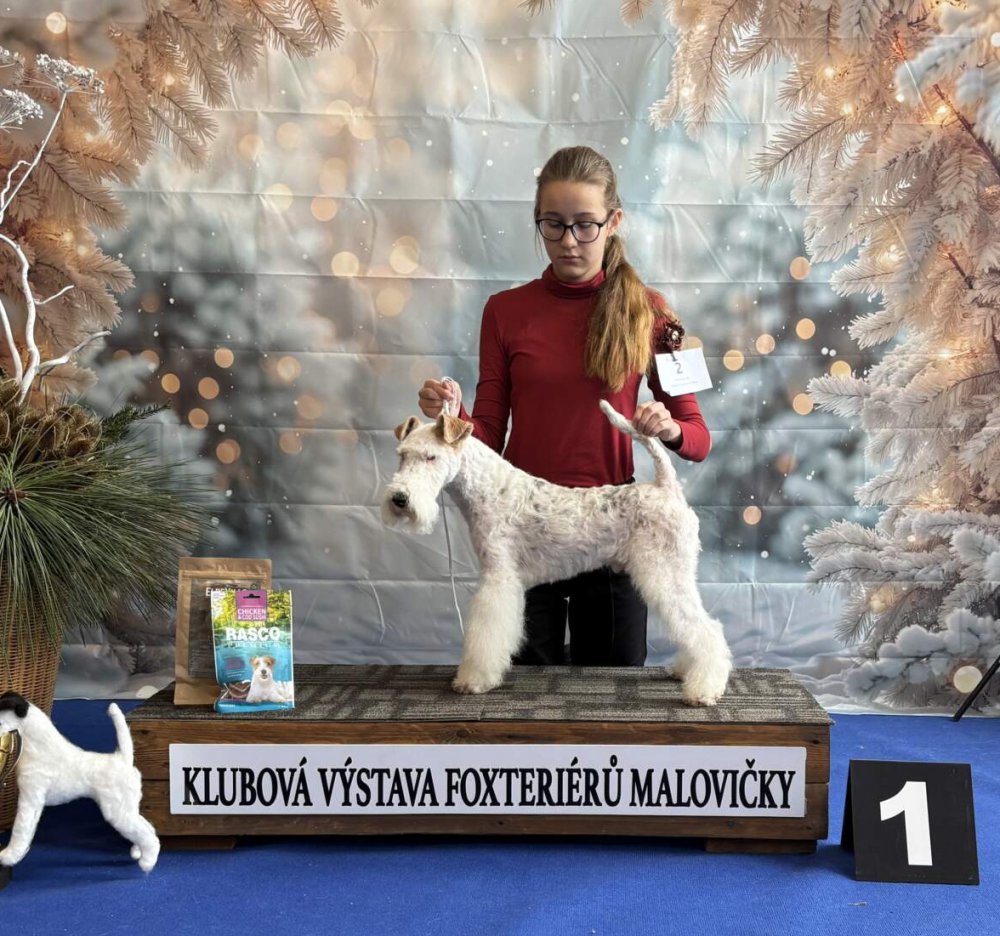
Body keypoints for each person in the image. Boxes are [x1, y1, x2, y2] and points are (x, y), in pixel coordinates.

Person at [417, 145, 710, 668]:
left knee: (613, 695)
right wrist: (450, 418)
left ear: (614, 221)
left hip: (615, 530)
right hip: (525, 529)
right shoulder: (504, 311)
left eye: (585, 225)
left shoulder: (655, 314)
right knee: (526, 699)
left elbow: (698, 438)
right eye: (553, 224)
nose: (569, 241)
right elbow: (488, 432)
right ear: (537, 220)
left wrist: (667, 429)